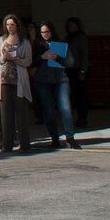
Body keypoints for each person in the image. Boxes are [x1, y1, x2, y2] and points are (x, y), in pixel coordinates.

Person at [34, 21, 80, 149]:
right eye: (42, 32)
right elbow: (30, 62)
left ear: (52, 31)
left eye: (47, 32)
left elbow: (71, 62)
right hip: (43, 81)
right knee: (48, 111)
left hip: (61, 79)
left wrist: (58, 57)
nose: (45, 34)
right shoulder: (37, 45)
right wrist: (42, 57)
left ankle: (70, 137)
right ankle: (54, 138)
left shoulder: (60, 44)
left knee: (65, 108)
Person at [0, 15, 34, 153]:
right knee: (5, 114)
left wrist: (17, 60)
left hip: (19, 80)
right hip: (4, 81)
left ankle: (25, 144)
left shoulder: (24, 42)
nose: (10, 27)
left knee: (21, 113)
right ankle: (7, 144)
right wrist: (4, 58)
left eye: (12, 25)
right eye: (7, 25)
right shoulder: (1, 40)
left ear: (17, 26)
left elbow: (28, 61)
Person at [63, 17, 91, 126]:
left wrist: (83, 71)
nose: (71, 27)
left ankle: (83, 118)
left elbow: (84, 55)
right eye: (69, 25)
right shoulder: (67, 38)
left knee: (81, 95)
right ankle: (77, 117)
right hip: (69, 69)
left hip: (79, 69)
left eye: (73, 25)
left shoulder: (81, 38)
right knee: (73, 95)